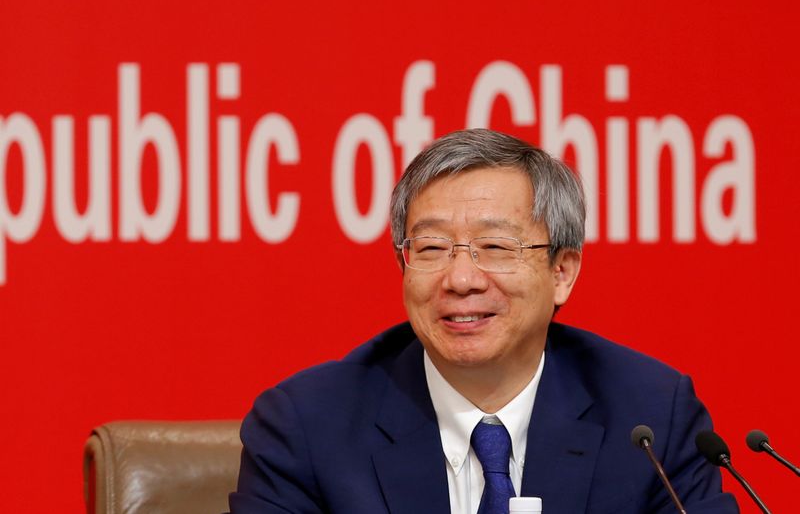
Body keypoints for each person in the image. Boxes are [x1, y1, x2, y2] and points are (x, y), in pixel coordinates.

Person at [229, 129, 738, 513]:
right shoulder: (308, 426)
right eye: (430, 248)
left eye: (496, 247)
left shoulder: (650, 417)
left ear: (561, 272)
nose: (462, 279)